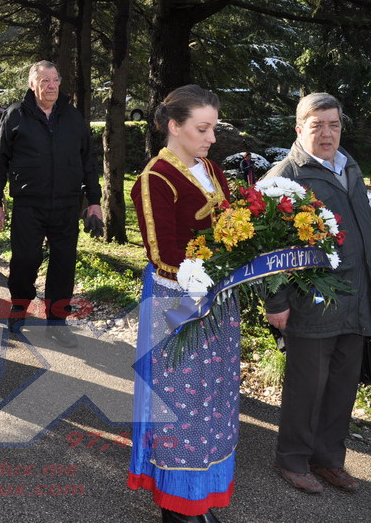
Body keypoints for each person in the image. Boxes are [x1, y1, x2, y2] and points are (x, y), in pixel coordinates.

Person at [128, 85, 236, 523]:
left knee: (215, 399)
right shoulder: (155, 179)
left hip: (219, 298)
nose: (211, 137)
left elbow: (232, 225)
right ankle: (176, 506)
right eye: (202, 128)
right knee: (180, 404)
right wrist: (214, 270)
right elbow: (163, 254)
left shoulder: (210, 168)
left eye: (214, 128)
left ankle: (201, 494)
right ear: (174, 126)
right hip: (178, 301)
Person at [263, 93, 371, 495]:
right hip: (312, 301)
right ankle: (292, 460)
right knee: (307, 386)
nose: (327, 133)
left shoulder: (350, 167)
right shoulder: (285, 177)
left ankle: (328, 459)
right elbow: (265, 249)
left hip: (357, 296)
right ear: (299, 129)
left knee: (342, 386)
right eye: (317, 125)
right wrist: (276, 302)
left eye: (334, 124)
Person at [0, 60, 102, 349]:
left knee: (63, 264)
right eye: (44, 81)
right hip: (29, 205)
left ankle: (57, 322)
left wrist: (94, 201)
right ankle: (20, 306)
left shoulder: (73, 117)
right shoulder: (15, 115)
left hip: (66, 204)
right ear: (32, 84)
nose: (51, 86)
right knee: (25, 260)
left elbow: (88, 161)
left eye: (55, 80)